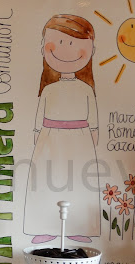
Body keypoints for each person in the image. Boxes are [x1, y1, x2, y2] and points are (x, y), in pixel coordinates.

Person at [23, 14, 101, 244]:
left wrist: (92, 136)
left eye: (73, 43)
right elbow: (39, 117)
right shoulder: (48, 90)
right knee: (45, 181)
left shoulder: (86, 89)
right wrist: (37, 136)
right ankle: (44, 227)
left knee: (79, 180)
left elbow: (93, 118)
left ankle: (80, 227)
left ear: (92, 50)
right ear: (43, 48)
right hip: (49, 139)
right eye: (58, 42)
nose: (65, 49)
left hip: (80, 140)